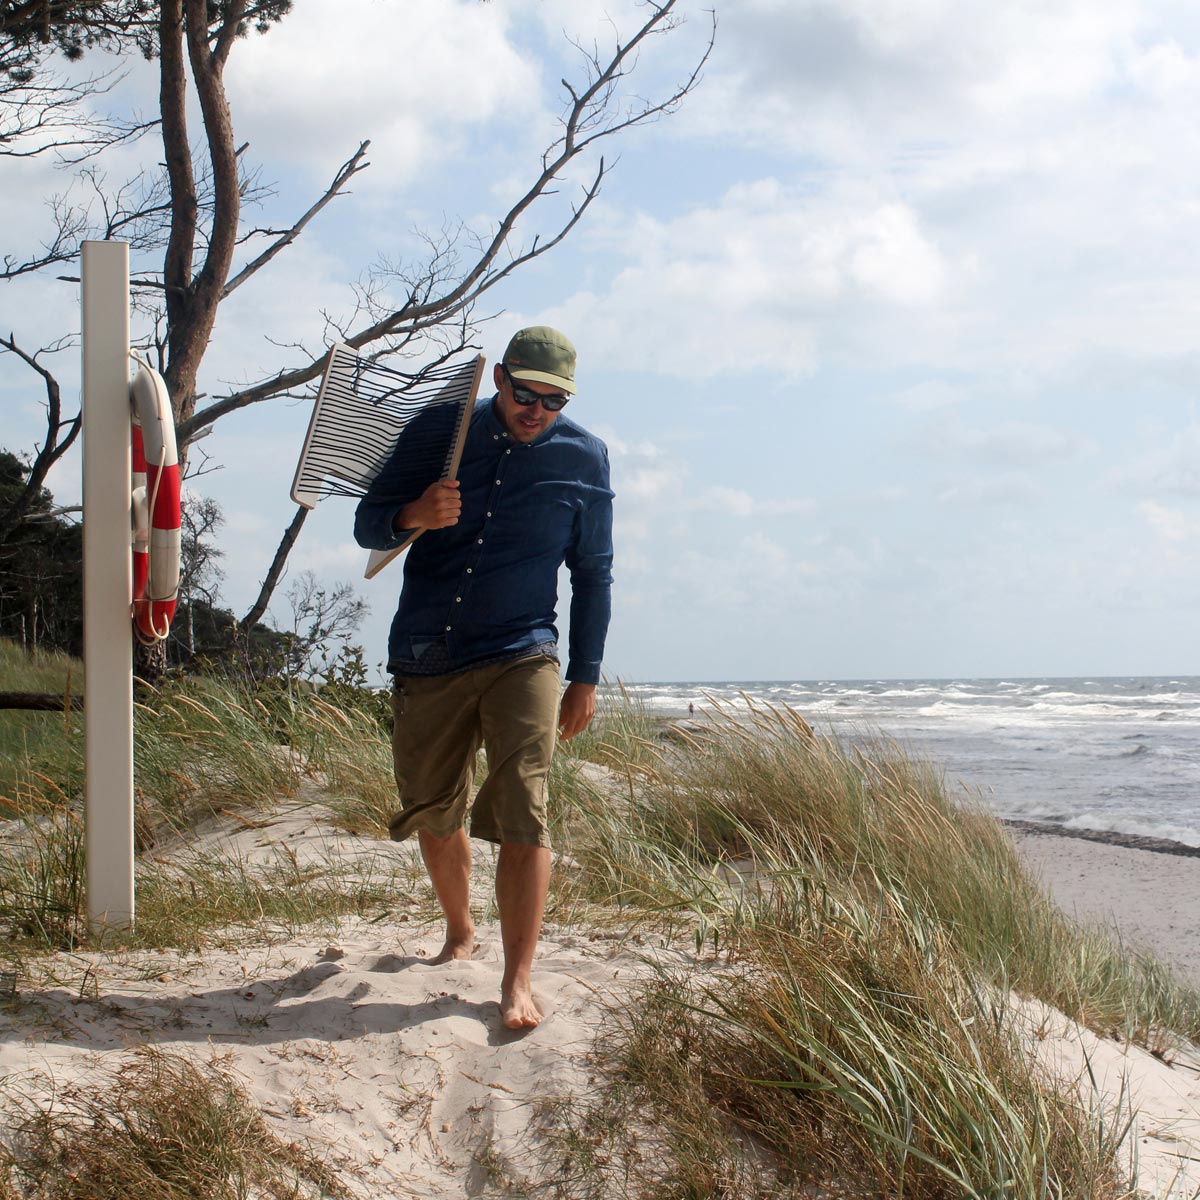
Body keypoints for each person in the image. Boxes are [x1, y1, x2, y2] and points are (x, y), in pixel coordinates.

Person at [354, 326, 613, 1029]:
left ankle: (517, 981)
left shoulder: (585, 458)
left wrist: (584, 675)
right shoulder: (439, 433)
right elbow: (367, 524)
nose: (536, 409)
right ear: (499, 378)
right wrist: (413, 514)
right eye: (525, 393)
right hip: (427, 647)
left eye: (553, 399)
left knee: (524, 805)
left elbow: (592, 574)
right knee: (432, 809)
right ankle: (460, 930)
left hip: (523, 648)